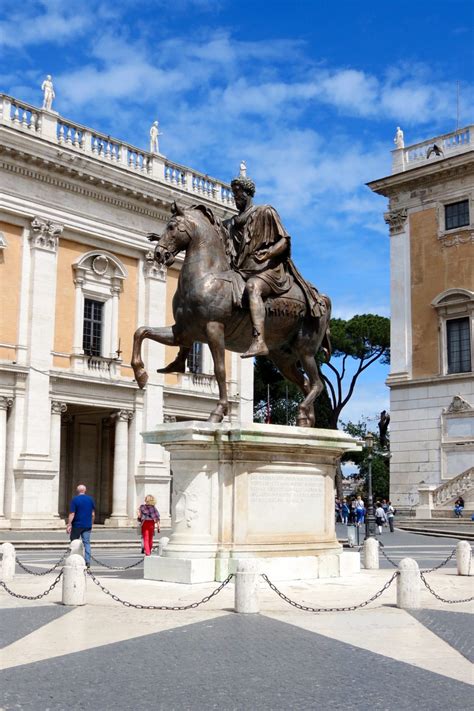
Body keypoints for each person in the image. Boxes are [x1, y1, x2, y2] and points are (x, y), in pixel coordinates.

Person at [66, 484, 95, 568]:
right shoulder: (90, 499)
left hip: (77, 525)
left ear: (77, 491)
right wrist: (91, 524)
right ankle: (87, 561)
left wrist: (69, 524)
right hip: (87, 525)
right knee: (87, 543)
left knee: (74, 542)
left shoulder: (75, 499)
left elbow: (72, 513)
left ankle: (74, 560)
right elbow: (93, 514)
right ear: (85, 490)